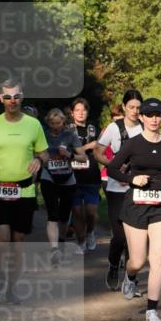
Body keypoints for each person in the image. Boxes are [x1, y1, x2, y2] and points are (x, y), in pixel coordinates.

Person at [106, 97, 161, 321]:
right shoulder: (132, 144)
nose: (154, 119)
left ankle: (152, 310)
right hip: (135, 206)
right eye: (149, 115)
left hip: (160, 205)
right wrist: (132, 178)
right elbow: (112, 168)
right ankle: (130, 276)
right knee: (138, 260)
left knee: (158, 257)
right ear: (141, 117)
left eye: (157, 115)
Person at [0, 81, 49, 301]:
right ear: (1, 99)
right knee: (2, 239)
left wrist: (38, 159)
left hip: (24, 191)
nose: (12, 101)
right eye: (8, 97)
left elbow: (44, 153)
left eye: (16, 96)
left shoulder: (33, 124)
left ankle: (11, 288)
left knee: (17, 243)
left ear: (22, 97)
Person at [94, 89, 143, 290]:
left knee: (136, 237)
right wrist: (113, 165)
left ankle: (131, 279)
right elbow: (97, 152)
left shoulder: (144, 127)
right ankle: (114, 265)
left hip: (137, 188)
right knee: (120, 236)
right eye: (131, 107)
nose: (135, 111)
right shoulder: (114, 128)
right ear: (123, 107)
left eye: (138, 108)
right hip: (115, 189)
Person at [40, 109, 87, 265]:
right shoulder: (43, 135)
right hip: (49, 178)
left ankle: (60, 240)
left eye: (58, 123)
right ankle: (54, 250)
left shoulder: (70, 136)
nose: (55, 126)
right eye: (52, 123)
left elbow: (83, 157)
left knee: (64, 215)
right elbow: (34, 153)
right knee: (52, 214)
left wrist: (69, 155)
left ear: (63, 122)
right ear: (48, 123)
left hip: (67, 178)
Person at [68, 97, 101, 253]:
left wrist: (78, 149)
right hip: (72, 176)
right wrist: (86, 147)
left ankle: (90, 233)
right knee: (77, 212)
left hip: (91, 175)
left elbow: (98, 147)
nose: (81, 113)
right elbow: (67, 150)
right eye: (77, 110)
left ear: (87, 112)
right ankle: (80, 241)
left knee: (91, 212)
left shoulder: (94, 128)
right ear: (72, 113)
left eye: (83, 110)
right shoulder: (66, 129)